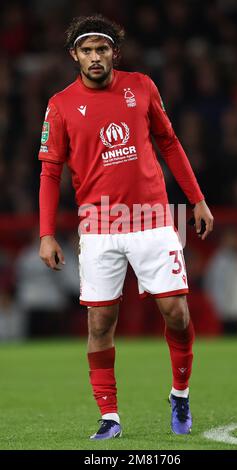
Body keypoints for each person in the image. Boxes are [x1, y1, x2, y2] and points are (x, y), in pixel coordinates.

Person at [38, 14, 214, 440]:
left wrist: (197, 199)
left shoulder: (142, 86)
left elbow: (169, 141)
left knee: (176, 313)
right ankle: (110, 417)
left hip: (151, 218)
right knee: (100, 323)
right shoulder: (60, 105)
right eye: (87, 50)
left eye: (102, 49)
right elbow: (49, 170)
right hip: (98, 227)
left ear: (114, 52)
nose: (95, 57)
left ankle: (180, 394)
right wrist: (46, 233)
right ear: (74, 56)